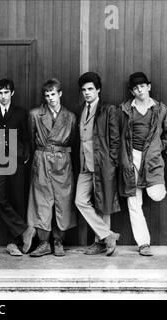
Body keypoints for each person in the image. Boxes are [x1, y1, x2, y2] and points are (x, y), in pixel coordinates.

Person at [0, 79, 35, 257]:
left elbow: (26, 137)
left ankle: (15, 243)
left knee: (17, 199)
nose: (3, 96)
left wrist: (25, 156)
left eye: (6, 92)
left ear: (12, 93)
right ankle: (24, 230)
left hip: (17, 160)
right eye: (0, 93)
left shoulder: (20, 113)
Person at [118, 72, 167, 256]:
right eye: (136, 88)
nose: (140, 90)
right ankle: (143, 243)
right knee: (133, 201)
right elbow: (119, 135)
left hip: (152, 158)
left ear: (149, 87)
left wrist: (157, 147)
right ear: (132, 91)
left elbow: (166, 135)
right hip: (131, 158)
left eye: (142, 86)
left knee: (156, 194)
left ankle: (149, 184)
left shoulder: (161, 109)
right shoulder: (125, 109)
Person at [27, 78, 77, 257]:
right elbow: (31, 141)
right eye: (47, 95)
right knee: (42, 201)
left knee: (62, 200)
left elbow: (71, 141)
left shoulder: (70, 117)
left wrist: (59, 153)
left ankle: (58, 241)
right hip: (41, 159)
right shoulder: (34, 114)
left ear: (60, 94)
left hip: (62, 161)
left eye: (53, 94)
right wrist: (41, 156)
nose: (50, 98)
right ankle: (43, 243)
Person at [74, 72, 120, 256]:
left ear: (98, 89)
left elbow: (115, 139)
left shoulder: (108, 109)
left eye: (90, 89)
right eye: (84, 90)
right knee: (80, 200)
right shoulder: (81, 109)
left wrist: (112, 161)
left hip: (103, 163)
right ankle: (108, 235)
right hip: (85, 164)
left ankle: (101, 243)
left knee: (104, 204)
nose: (87, 93)